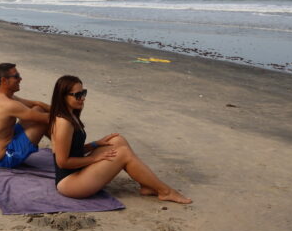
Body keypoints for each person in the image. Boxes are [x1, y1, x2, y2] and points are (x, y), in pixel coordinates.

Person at [49, 75, 191, 204]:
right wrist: (94, 159)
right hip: (69, 183)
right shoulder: (64, 123)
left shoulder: (71, 115)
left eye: (83, 93)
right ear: (63, 96)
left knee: (117, 140)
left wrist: (95, 144)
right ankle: (165, 192)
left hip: (77, 172)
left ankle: (146, 185)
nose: (83, 98)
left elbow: (73, 149)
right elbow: (63, 162)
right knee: (123, 154)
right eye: (78, 95)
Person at [0, 63, 51, 168]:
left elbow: (36, 104)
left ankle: (66, 149)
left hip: (10, 139)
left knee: (38, 109)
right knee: (43, 122)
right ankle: (66, 152)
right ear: (4, 80)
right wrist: (69, 115)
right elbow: (47, 119)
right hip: (5, 157)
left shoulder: (6, 97)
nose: (20, 79)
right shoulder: (8, 104)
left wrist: (62, 110)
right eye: (16, 76)